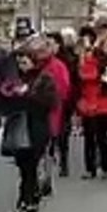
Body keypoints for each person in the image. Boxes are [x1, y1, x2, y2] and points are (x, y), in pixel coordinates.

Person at [0, 38, 59, 212]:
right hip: (19, 126)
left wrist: (28, 96)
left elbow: (51, 103)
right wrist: (9, 95)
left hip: (37, 127)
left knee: (30, 166)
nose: (22, 66)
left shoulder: (44, 78)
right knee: (24, 166)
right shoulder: (15, 80)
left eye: (25, 62)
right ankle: (31, 197)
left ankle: (23, 201)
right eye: (19, 62)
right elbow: (3, 104)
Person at [76, 29, 107, 179]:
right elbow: (83, 75)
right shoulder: (91, 59)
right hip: (89, 102)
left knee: (102, 136)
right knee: (89, 137)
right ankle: (90, 168)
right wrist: (97, 75)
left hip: (105, 103)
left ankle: (105, 166)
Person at [36, 34, 72, 197]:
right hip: (35, 111)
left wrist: (50, 99)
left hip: (51, 111)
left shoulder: (58, 66)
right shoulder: (34, 65)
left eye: (46, 47)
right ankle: (39, 177)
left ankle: (46, 178)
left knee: (47, 145)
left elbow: (64, 89)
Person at [53, 28, 82, 177]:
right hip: (50, 100)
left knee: (63, 131)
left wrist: (76, 100)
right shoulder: (43, 59)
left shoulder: (71, 59)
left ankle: (63, 159)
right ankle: (53, 154)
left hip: (66, 100)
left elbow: (76, 81)